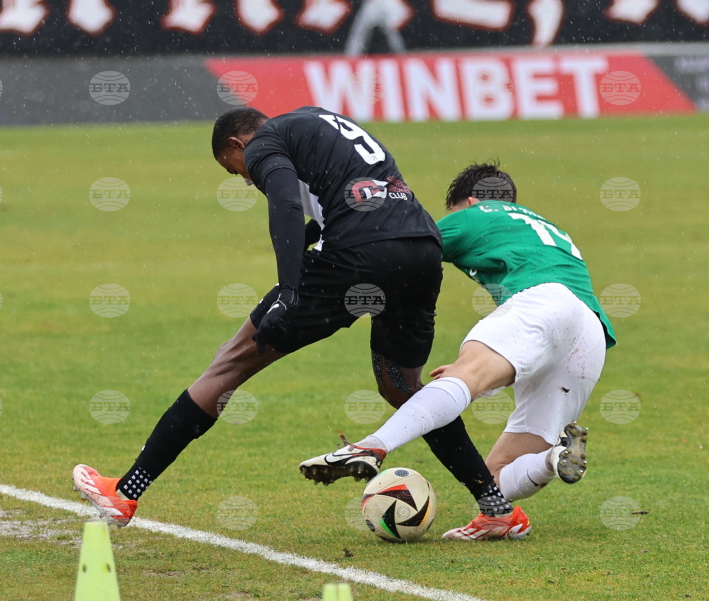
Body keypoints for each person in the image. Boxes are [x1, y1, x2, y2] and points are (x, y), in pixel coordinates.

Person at [71, 108, 513, 531]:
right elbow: (350, 199)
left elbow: (284, 203)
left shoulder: (264, 142)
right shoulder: (320, 123)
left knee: (229, 363)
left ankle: (125, 492)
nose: (247, 179)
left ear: (237, 143)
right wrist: (307, 246)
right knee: (402, 387)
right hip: (421, 250)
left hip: (357, 256)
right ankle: (496, 507)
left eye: (235, 170)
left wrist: (288, 291)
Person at [300, 162, 616, 541]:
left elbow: (407, 244)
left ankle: (371, 446)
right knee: (495, 474)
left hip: (544, 304)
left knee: (461, 380)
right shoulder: (546, 227)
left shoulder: (477, 214)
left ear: (469, 201)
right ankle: (550, 461)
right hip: (589, 334)